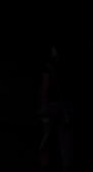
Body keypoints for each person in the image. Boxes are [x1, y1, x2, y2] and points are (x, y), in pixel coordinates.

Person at [39, 41, 73, 170]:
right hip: (66, 106)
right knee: (65, 141)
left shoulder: (49, 67)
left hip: (52, 105)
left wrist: (42, 106)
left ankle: (45, 164)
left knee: (47, 139)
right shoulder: (67, 67)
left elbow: (44, 88)